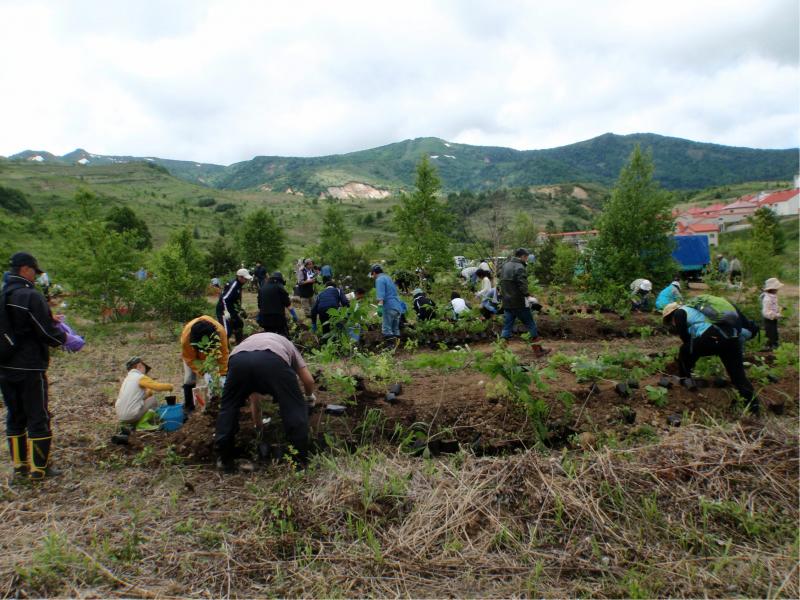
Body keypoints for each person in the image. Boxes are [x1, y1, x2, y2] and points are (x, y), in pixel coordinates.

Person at [0, 253, 68, 481]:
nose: (36, 277)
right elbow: (46, 331)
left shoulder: (3, 294)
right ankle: (40, 469)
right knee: (38, 416)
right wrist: (63, 338)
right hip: (29, 366)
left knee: (15, 416)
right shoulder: (29, 296)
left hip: (5, 365)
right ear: (26, 269)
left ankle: (19, 468)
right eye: (34, 272)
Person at [214, 332, 316, 472]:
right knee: (293, 406)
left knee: (229, 406)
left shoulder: (247, 343)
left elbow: (254, 396)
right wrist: (309, 398)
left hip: (238, 360)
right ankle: (299, 461)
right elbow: (309, 381)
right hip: (273, 359)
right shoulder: (288, 345)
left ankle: (224, 459)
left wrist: (258, 426)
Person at [661, 302, 758, 413]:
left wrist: (689, 360)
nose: (672, 325)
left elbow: (685, 339)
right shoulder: (698, 312)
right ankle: (754, 409)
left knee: (684, 350)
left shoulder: (679, 312)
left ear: (671, 316)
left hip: (713, 335)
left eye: (670, 322)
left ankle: (684, 379)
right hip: (731, 338)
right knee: (738, 376)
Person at [181, 316, 229, 411]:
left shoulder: (220, 332)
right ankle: (189, 407)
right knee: (189, 379)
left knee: (221, 380)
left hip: (214, 355)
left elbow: (223, 356)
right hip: (193, 357)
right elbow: (190, 359)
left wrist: (222, 375)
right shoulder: (186, 338)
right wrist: (204, 372)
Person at [500, 248, 544, 351]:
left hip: (507, 302)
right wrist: (528, 296)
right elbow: (522, 284)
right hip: (519, 302)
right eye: (526, 258)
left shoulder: (505, 265)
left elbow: (502, 283)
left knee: (507, 326)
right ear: (523, 256)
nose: (526, 260)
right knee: (530, 324)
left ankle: (501, 350)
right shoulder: (520, 267)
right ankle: (538, 350)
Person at [115, 357, 174, 426]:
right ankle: (142, 423)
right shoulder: (140, 377)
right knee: (152, 400)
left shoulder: (127, 380)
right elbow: (158, 387)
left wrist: (148, 392)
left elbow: (137, 397)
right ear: (139, 366)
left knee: (147, 400)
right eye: (145, 369)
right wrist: (170, 386)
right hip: (131, 415)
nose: (145, 373)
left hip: (122, 417)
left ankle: (133, 424)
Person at [370, 264, 406, 340]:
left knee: (386, 330)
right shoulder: (388, 278)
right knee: (395, 330)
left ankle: (390, 349)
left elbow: (381, 295)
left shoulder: (379, 280)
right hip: (397, 307)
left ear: (374, 273)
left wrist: (380, 307)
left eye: (372, 274)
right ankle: (397, 349)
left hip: (389, 307)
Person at [216, 268, 252, 345]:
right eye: (245, 278)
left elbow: (235, 301)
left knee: (239, 324)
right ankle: (222, 350)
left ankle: (239, 344)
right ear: (240, 277)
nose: (246, 280)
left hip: (232, 309)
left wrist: (241, 311)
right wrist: (225, 312)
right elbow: (224, 298)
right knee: (226, 332)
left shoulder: (239, 285)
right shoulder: (234, 285)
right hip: (223, 310)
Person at [257, 272, 297, 337]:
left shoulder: (262, 288)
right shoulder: (279, 287)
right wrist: (294, 316)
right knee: (283, 336)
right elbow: (288, 305)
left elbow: (259, 305)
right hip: (277, 318)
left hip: (264, 319)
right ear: (280, 280)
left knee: (269, 337)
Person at [761, 278, 783, 350]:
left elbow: (774, 307)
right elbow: (766, 312)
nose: (777, 290)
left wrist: (780, 308)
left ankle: (773, 344)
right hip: (769, 319)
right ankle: (770, 345)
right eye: (776, 288)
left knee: (774, 331)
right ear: (772, 289)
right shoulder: (767, 299)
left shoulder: (773, 296)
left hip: (773, 318)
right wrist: (776, 315)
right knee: (770, 332)